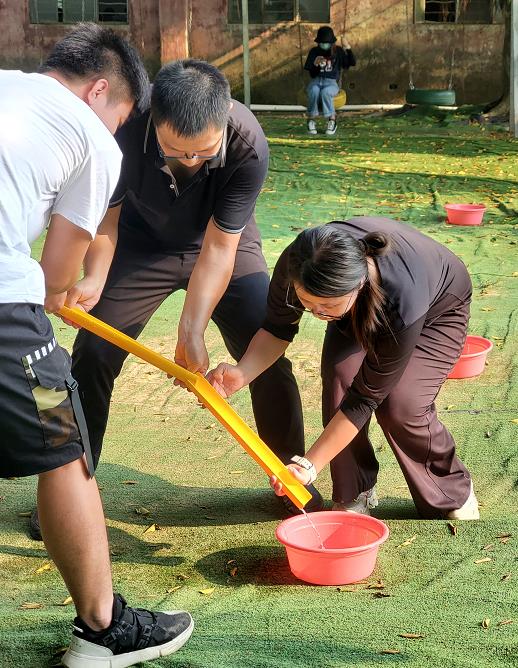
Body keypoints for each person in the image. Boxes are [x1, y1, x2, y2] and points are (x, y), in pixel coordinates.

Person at [0, 24, 193, 667]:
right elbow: (58, 272)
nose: (115, 134)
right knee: (66, 445)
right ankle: (103, 628)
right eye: (119, 120)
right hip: (6, 311)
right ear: (100, 91)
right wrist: (63, 289)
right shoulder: (89, 137)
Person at [64, 59, 321, 517]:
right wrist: (97, 277)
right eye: (176, 150)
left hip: (223, 240)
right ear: (153, 120)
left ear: (223, 123)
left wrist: (192, 331)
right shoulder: (124, 131)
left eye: (203, 152)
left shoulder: (247, 144)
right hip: (140, 245)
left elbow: (221, 248)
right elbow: (107, 219)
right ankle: (70, 492)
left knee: (264, 347)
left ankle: (289, 481)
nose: (190, 161)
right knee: (93, 352)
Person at [207, 217, 480, 520]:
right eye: (307, 303)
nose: (316, 313)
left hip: (435, 309)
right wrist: (242, 372)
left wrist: (308, 465)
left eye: (325, 305)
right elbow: (276, 329)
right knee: (339, 376)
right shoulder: (299, 263)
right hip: (358, 304)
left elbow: (365, 399)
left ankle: (451, 492)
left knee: (402, 404)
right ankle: (355, 490)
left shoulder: (402, 297)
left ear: (357, 285)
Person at [304, 26, 355, 136]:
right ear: (318, 42)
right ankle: (311, 120)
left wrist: (348, 48)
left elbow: (351, 63)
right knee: (313, 91)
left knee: (326, 93)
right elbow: (312, 74)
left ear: (331, 43)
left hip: (331, 82)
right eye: (322, 42)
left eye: (326, 42)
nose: (324, 44)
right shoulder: (314, 52)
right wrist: (315, 65)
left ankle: (332, 120)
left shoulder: (338, 51)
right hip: (316, 81)